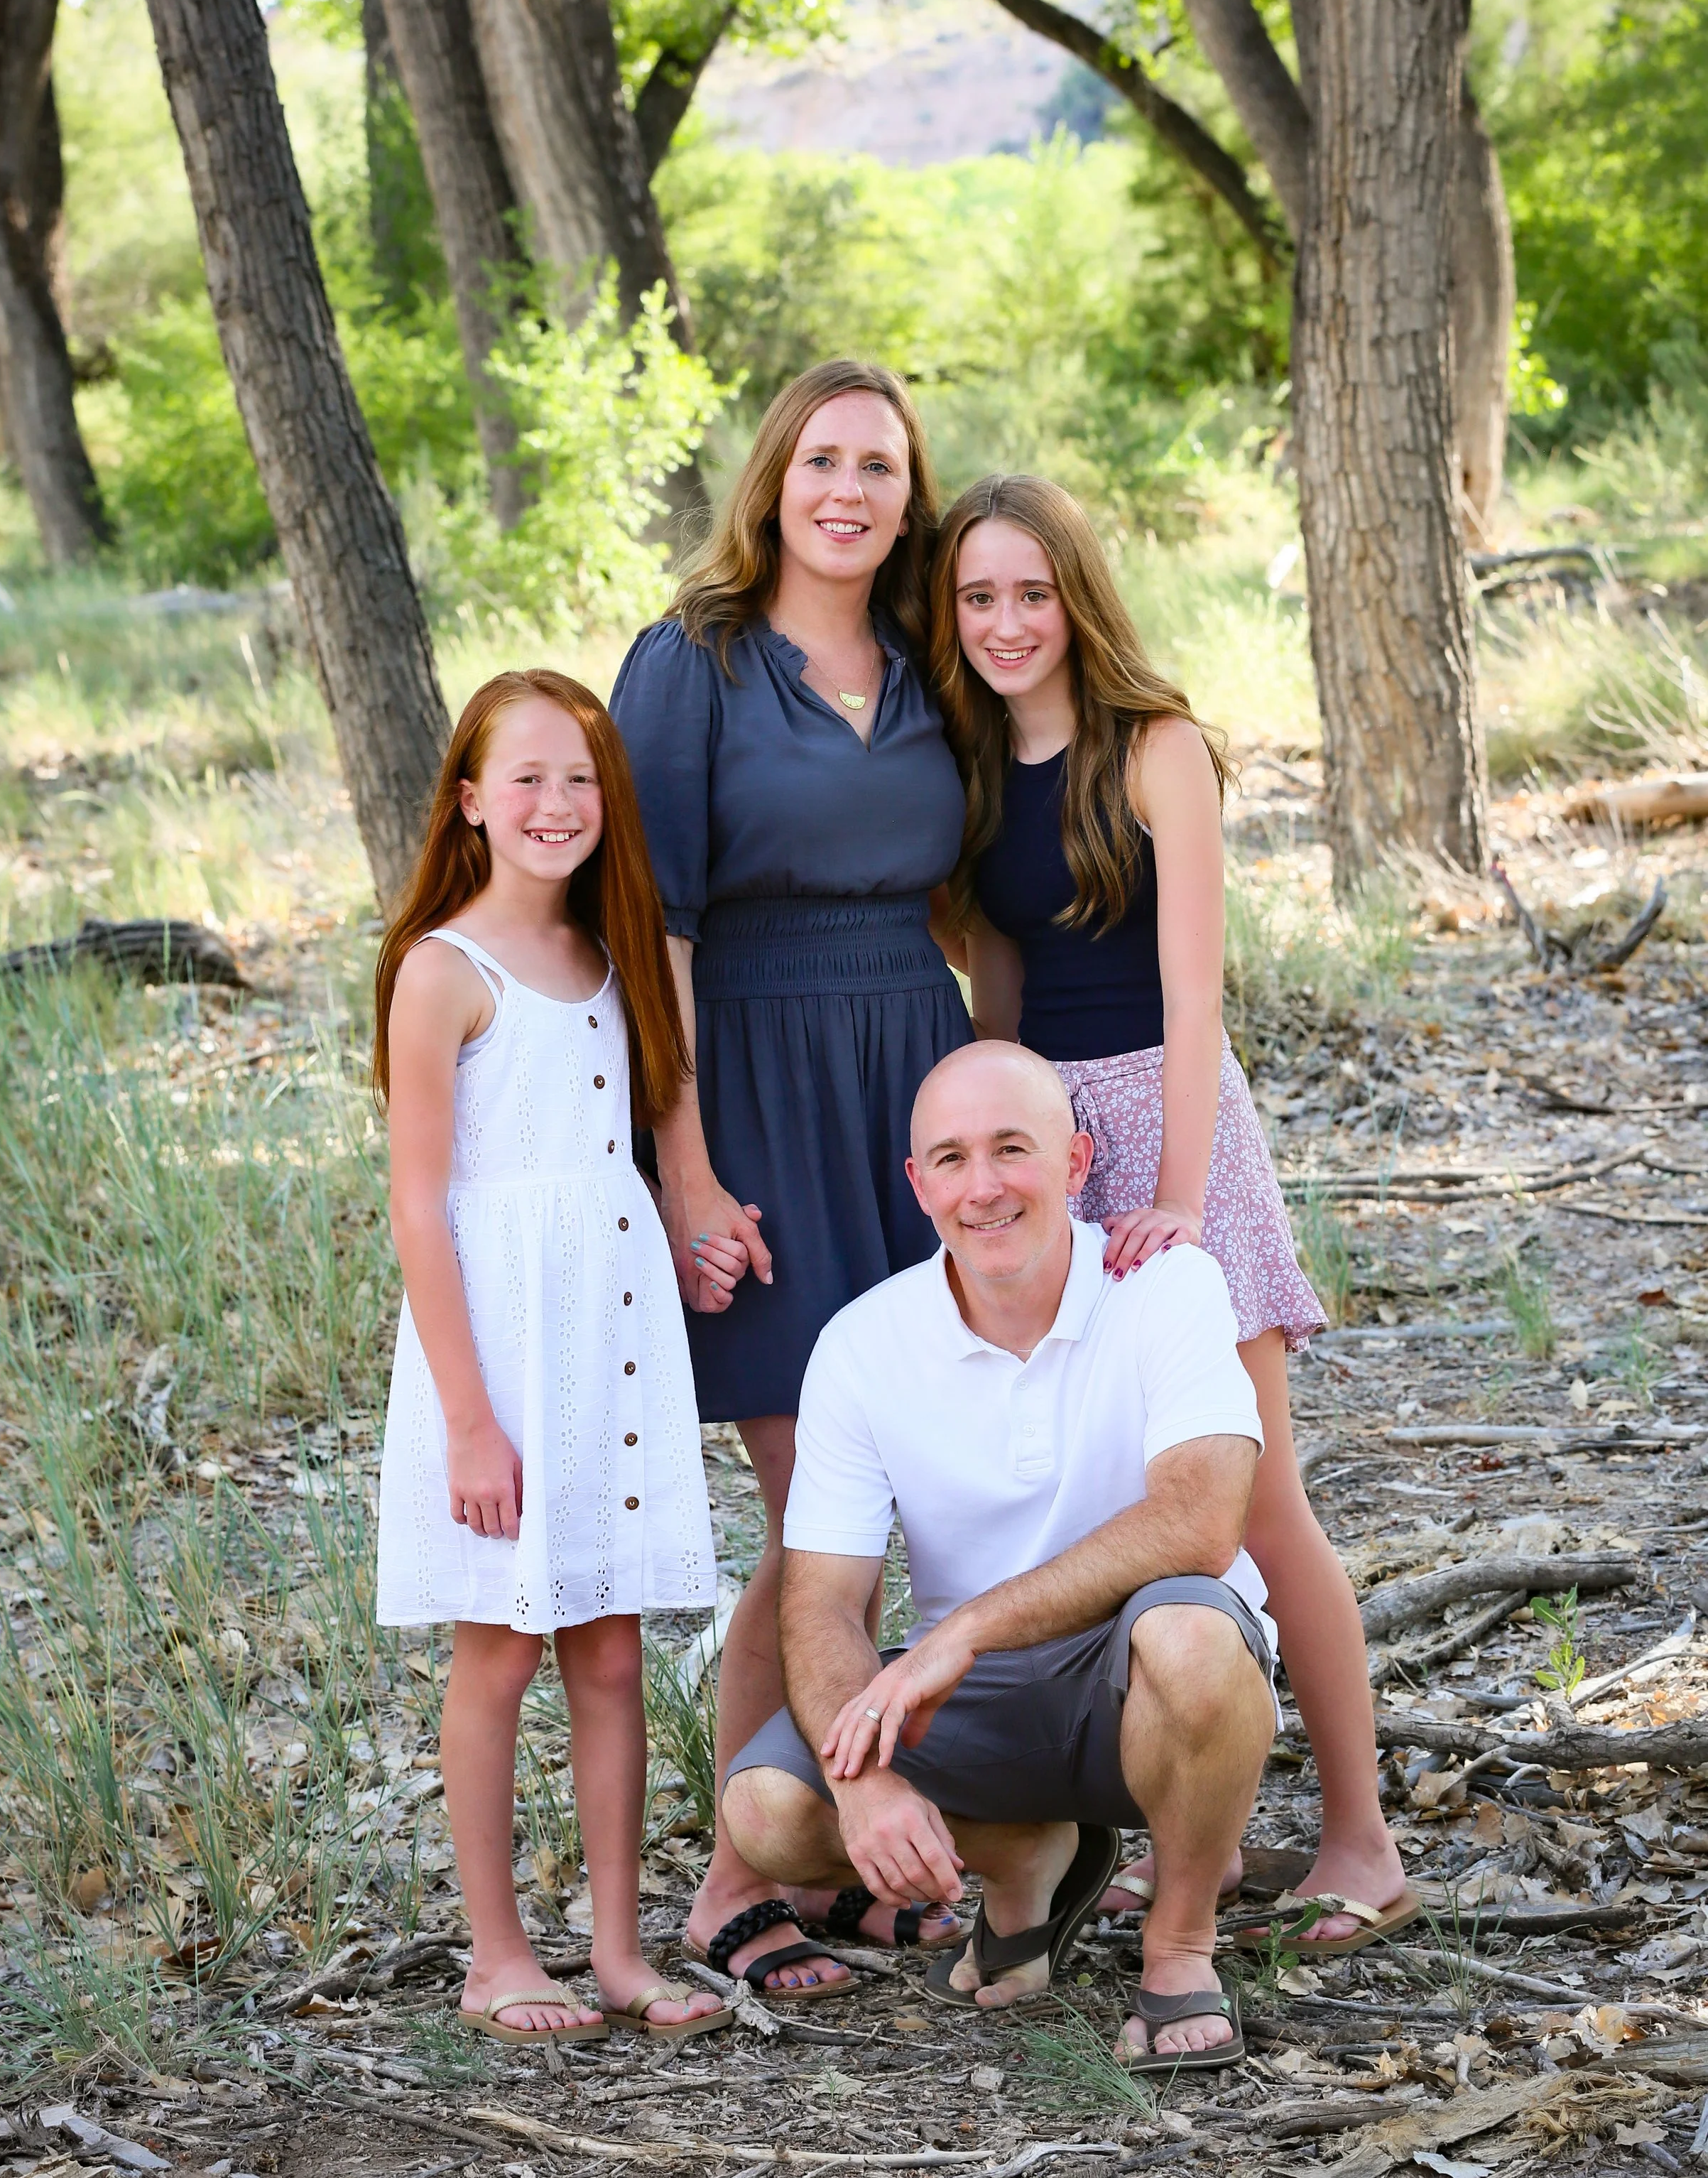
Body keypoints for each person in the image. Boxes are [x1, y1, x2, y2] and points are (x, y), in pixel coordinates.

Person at [930, 475, 1415, 1956]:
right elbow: (1002, 994)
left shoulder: (1155, 750)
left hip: (1167, 1126)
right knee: (1105, 1505)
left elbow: (1194, 993)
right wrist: (1008, 1154)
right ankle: (1169, 1818)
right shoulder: (969, 769)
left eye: (1031, 592)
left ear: (1076, 595)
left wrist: (1176, 1201)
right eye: (975, 598)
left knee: (1252, 1496)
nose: (1006, 623)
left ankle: (1358, 1837)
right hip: (1046, 1143)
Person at [610, 362, 973, 1997]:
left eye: (879, 466)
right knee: (806, 1517)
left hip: (912, 1081)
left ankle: (832, 1849)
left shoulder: (928, 662)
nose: (849, 489)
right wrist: (683, 1167)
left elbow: (974, 900)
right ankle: (724, 1886)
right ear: (772, 478)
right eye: (822, 458)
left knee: (913, 1496)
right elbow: (652, 926)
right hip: (748, 1085)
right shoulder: (688, 663)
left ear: (909, 493)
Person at [722, 1041, 1278, 2069]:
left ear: (1076, 1162)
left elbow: (1202, 1523)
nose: (984, 1187)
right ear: (918, 1183)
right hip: (972, 1702)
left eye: (1012, 1149)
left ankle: (1180, 1947)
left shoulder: (1167, 1286)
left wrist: (968, 1626)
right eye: (951, 1158)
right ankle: (1028, 1859)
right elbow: (821, 1606)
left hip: (1136, 1682)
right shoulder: (862, 1342)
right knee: (768, 1809)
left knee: (1193, 1629)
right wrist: (867, 1783)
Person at [374, 670, 726, 2044]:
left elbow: (624, 1149)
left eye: (579, 778)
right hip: (498, 1352)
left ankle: (623, 1950)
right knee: (498, 1653)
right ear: (469, 800)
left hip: (609, 1341)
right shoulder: (444, 972)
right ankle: (496, 1950)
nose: (554, 804)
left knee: (612, 1652)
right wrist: (469, 1419)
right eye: (523, 778)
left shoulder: (616, 952)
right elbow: (419, 1203)